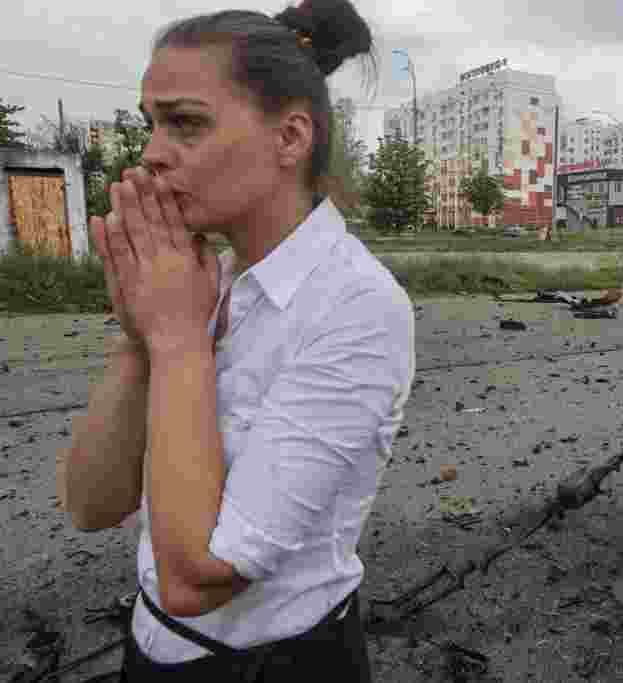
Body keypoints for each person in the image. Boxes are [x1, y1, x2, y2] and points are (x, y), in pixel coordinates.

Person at [56, 1, 415, 680]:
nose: (152, 153)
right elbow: (89, 503)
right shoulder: (198, 282)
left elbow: (198, 580)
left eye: (185, 123)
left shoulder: (358, 306)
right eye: (151, 123)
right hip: (149, 645)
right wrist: (139, 341)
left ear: (290, 138)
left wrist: (179, 342)